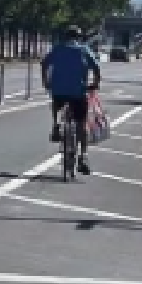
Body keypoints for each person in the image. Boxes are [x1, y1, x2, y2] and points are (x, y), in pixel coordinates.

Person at [41, 25, 101, 175]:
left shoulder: (57, 49)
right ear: (79, 37)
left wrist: (46, 82)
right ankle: (83, 156)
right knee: (81, 123)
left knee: (56, 102)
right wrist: (95, 83)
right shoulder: (83, 50)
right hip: (78, 93)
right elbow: (96, 67)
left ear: (65, 36)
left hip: (59, 92)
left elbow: (44, 63)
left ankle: (56, 125)